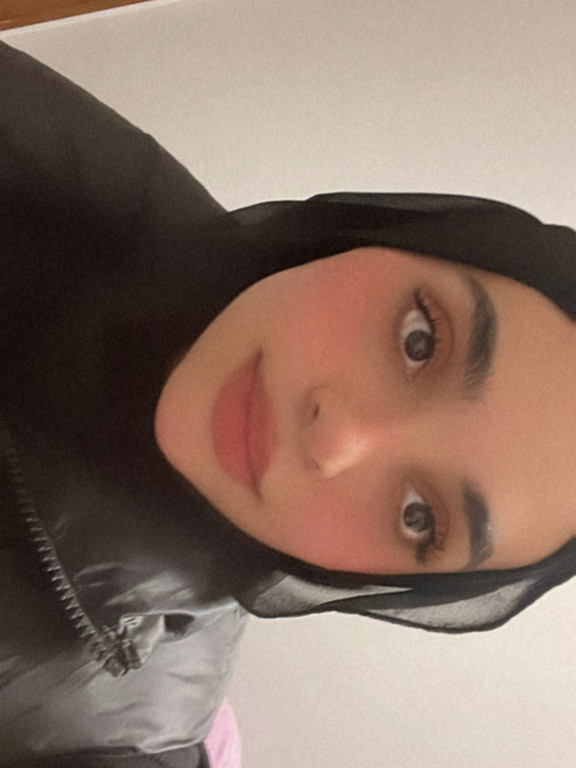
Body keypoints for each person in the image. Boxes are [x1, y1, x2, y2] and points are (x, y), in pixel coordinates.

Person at [1, 40, 575, 767]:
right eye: (421, 341)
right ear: (384, 241)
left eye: (418, 517)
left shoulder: (108, 737)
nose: (337, 437)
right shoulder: (84, 174)